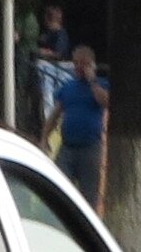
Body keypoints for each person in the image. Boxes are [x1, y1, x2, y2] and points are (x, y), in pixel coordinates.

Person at [44, 45, 110, 207]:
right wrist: (44, 137)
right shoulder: (68, 87)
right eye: (76, 63)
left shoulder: (101, 84)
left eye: (83, 64)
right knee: (59, 188)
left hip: (90, 148)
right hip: (67, 148)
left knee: (89, 195)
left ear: (91, 64)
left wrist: (92, 81)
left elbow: (105, 101)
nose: (79, 68)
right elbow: (55, 114)